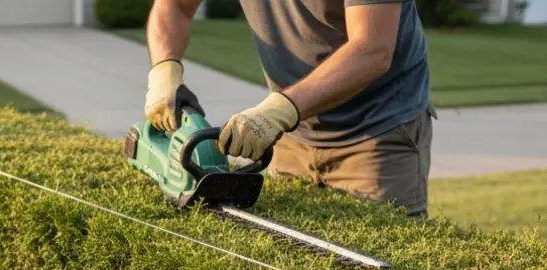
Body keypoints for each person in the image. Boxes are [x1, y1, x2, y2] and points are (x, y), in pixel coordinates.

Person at [143, 0, 434, 219]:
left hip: (377, 134)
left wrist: (280, 110)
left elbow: (372, 49)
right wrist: (164, 71)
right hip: (290, 130)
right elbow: (175, 7)